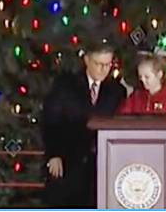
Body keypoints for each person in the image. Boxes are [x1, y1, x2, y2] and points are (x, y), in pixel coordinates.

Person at [41, 40, 126, 208]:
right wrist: (54, 154)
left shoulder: (117, 91)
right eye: (99, 64)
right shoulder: (65, 85)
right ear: (86, 60)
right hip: (68, 163)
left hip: (102, 167)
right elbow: (50, 119)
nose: (104, 69)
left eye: (108, 64)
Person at [116, 53, 166, 121]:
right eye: (140, 77)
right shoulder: (135, 97)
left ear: (159, 74)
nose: (143, 80)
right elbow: (122, 118)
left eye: (147, 77)